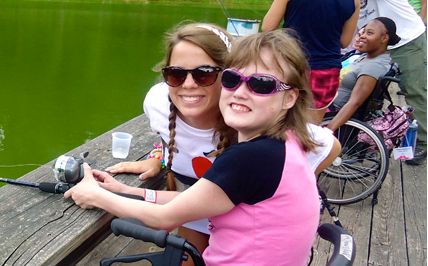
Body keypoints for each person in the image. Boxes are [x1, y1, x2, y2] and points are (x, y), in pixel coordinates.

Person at [65, 29, 321, 266]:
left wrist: (95, 195)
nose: (241, 92)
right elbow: (195, 201)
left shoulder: (251, 157)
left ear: (290, 97)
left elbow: (165, 218)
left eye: (262, 84)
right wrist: (123, 190)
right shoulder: (286, 143)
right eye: (233, 79)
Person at [262, 0, 360, 125]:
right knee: (310, 129)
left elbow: (268, 27)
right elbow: (345, 41)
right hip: (326, 69)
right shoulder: (355, 1)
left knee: (274, 124)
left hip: (291, 63)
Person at [358, 0, 427, 165]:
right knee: (372, 91)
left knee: (413, 89)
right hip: (377, 41)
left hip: (406, 40)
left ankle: (423, 140)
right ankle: (372, 134)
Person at [327, 17, 399, 131]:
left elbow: (354, 103)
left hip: (331, 112)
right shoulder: (365, 57)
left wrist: (327, 131)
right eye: (363, 32)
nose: (362, 36)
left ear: (384, 38)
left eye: (369, 33)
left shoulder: (374, 66)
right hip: (327, 102)